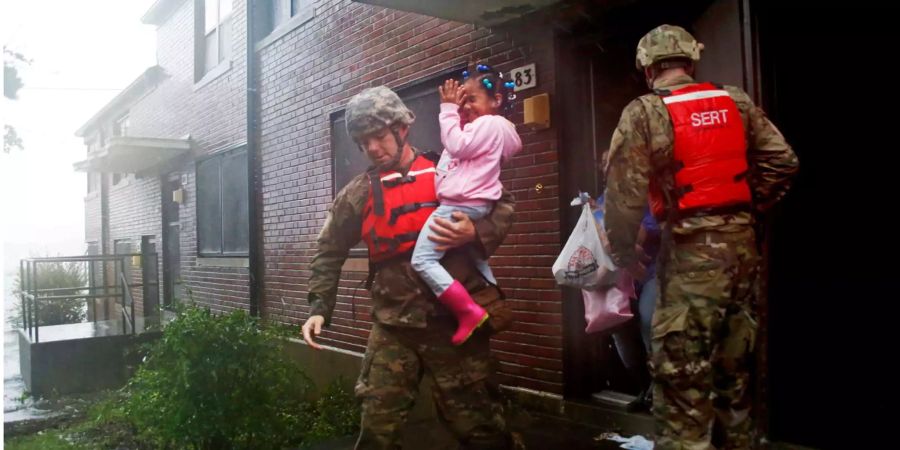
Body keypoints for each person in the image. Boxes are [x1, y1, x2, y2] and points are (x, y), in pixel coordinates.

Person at [603, 24, 799, 449]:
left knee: (681, 382)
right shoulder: (736, 101)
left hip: (690, 257)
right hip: (743, 256)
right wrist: (742, 210)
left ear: (647, 69)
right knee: (736, 376)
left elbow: (623, 196)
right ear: (690, 61)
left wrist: (623, 254)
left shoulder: (644, 112)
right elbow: (783, 162)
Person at [301, 85, 519, 449]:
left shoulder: (447, 170)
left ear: (402, 129)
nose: (372, 148)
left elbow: (504, 204)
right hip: (393, 326)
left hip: (453, 326)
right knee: (377, 429)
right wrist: (319, 308)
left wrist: (475, 231)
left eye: (379, 136)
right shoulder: (359, 192)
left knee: (480, 428)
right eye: (363, 142)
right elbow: (328, 249)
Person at [411, 63, 522, 345]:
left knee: (422, 260)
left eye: (471, 99)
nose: (465, 107)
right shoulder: (488, 134)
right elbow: (455, 156)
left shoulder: (489, 125)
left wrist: (447, 110)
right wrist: (459, 114)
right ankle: (494, 304)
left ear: (496, 101)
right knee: (480, 261)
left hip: (458, 205)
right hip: (474, 205)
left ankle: (468, 312)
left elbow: (457, 146)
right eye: (462, 101)